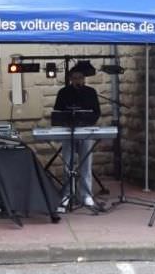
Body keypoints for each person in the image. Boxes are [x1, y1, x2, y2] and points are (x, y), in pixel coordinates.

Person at [54, 66, 100, 208]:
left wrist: (87, 120)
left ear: (84, 79)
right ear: (70, 79)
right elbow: (58, 111)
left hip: (85, 130)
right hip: (69, 131)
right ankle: (68, 193)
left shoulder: (90, 92)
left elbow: (96, 112)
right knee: (68, 163)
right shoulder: (63, 92)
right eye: (75, 78)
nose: (78, 80)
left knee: (86, 164)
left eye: (80, 78)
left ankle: (86, 195)